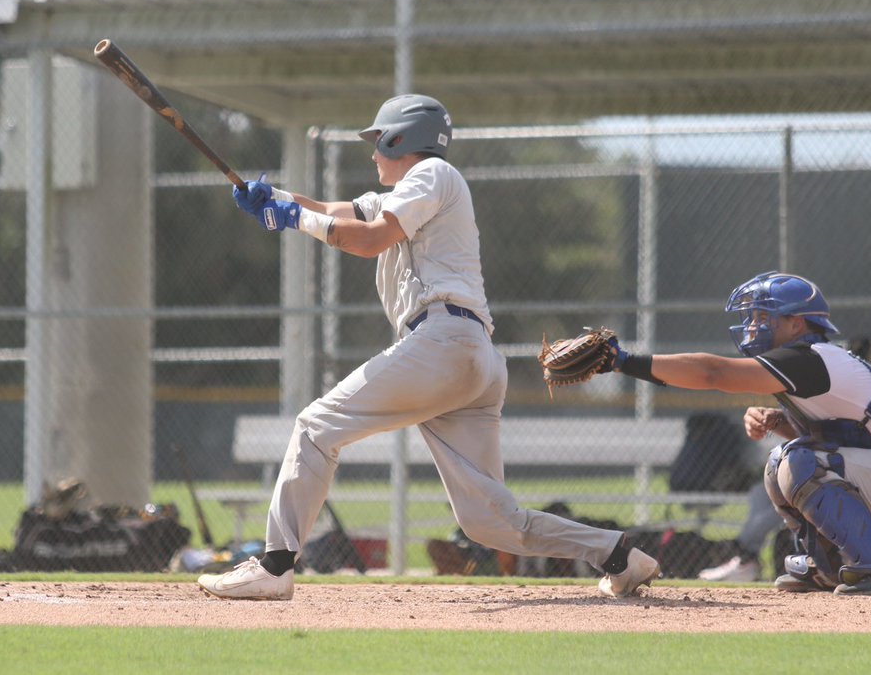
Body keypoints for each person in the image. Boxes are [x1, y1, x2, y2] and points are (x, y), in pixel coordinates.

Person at [195, 94, 660, 601]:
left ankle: (275, 563)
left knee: (315, 427)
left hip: (443, 344)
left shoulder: (431, 173)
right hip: (470, 356)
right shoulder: (410, 193)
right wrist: (275, 197)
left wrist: (291, 217)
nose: (373, 152)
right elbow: (339, 212)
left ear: (403, 139)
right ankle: (617, 554)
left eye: (379, 141)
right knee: (490, 522)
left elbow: (367, 238)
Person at [594, 271, 871, 597]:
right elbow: (853, 435)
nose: (753, 324)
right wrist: (782, 422)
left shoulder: (811, 358)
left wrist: (623, 362)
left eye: (764, 316)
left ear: (797, 323)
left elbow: (714, 374)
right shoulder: (813, 362)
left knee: (800, 462)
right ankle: (828, 564)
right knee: (781, 462)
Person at [697, 336, 871, 583]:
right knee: (762, 491)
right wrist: (772, 419)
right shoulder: (822, 387)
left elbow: (834, 440)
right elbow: (809, 431)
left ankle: (745, 554)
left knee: (792, 484)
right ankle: (747, 558)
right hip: (815, 466)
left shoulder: (865, 393)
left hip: (842, 474)